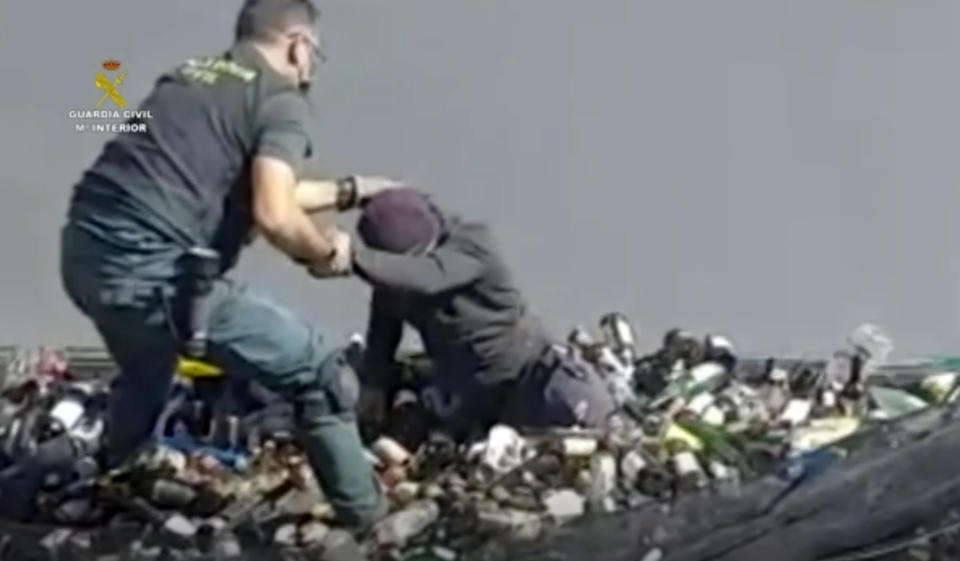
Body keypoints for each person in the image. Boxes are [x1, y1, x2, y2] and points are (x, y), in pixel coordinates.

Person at [57, 0, 397, 531]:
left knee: (149, 370)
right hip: (158, 274)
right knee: (322, 374)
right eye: (315, 54)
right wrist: (328, 253)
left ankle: (104, 482)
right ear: (298, 45)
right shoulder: (279, 99)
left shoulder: (188, 78)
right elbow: (274, 213)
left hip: (84, 255)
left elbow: (248, 188)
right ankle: (371, 524)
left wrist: (351, 192)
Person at [343, 188, 617, 437]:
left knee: (580, 425)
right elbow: (382, 334)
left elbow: (431, 276)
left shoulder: (472, 245)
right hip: (467, 393)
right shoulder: (394, 281)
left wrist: (352, 257)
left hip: (527, 377)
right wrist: (374, 388)